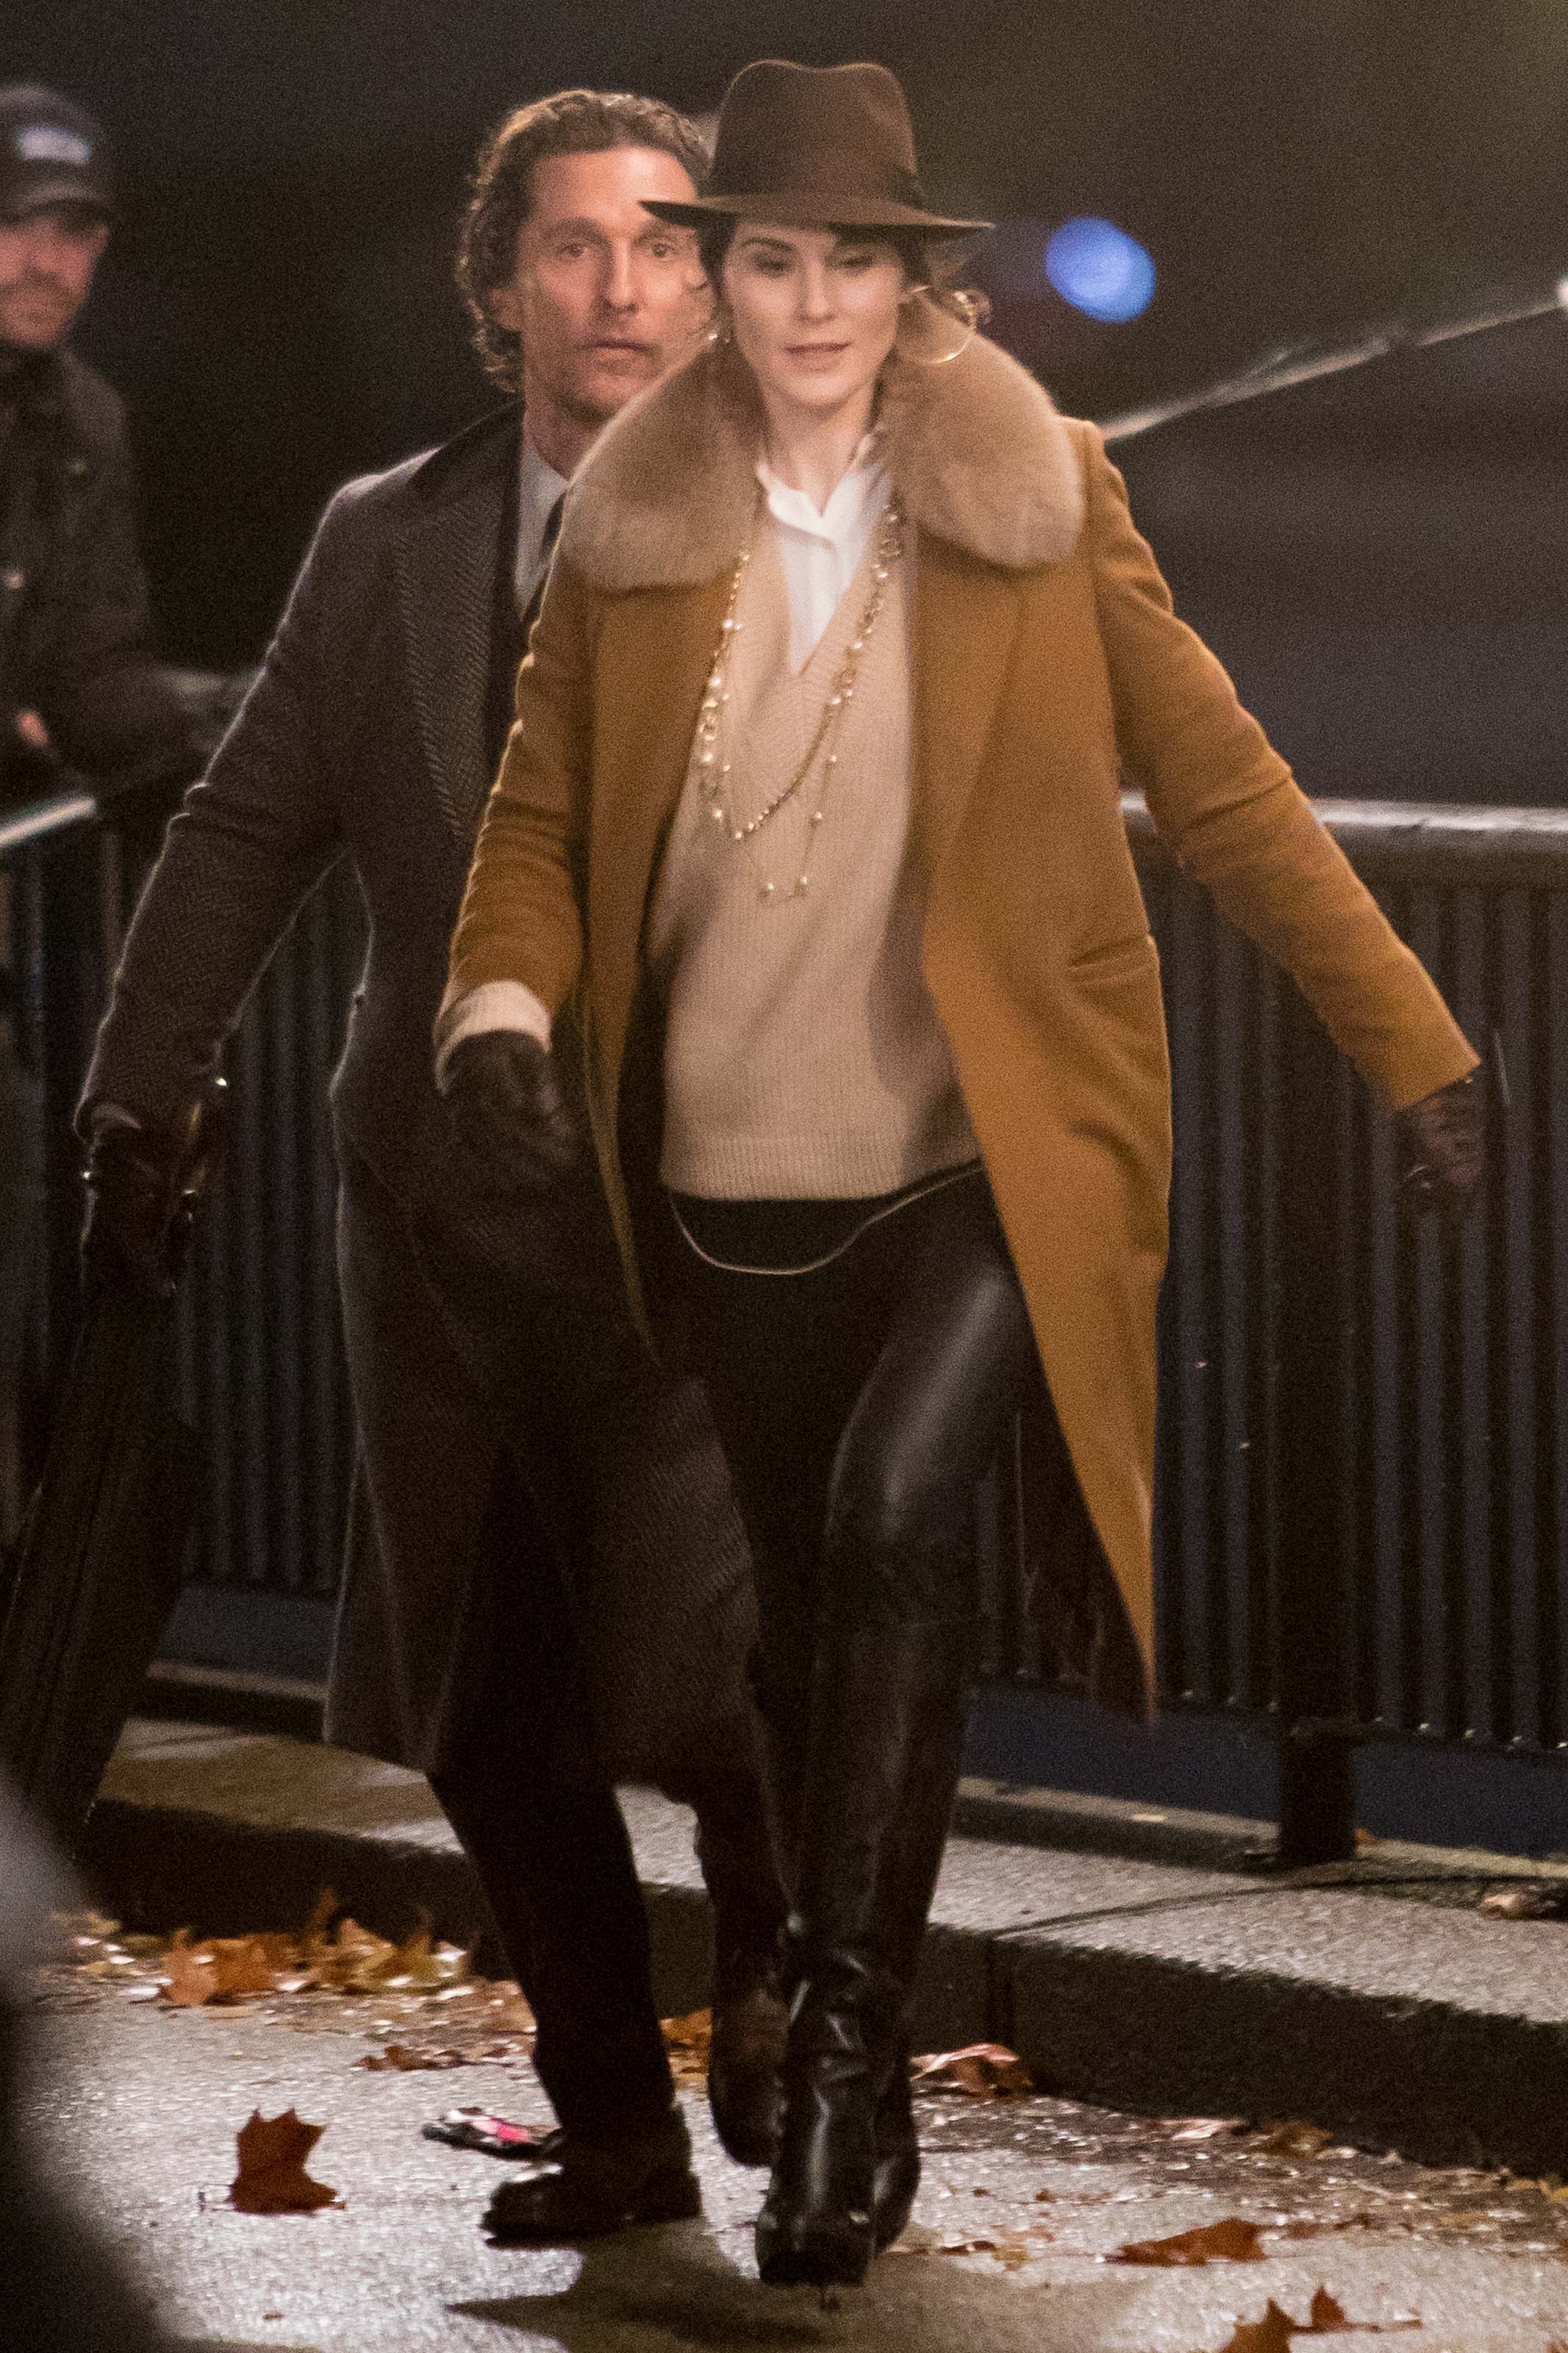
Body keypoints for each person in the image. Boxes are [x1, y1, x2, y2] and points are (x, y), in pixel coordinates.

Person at [437, 58, 1487, 2289]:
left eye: (855, 263)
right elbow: (531, 831)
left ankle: (843, 2063)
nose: (811, 301)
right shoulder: (626, 531)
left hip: (989, 1152)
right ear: (724, 279)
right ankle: (846, 2025)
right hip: (732, 1175)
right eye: (772, 258)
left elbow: (1220, 782)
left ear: (920, 288)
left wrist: (1417, 1046)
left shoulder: (1038, 490)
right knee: (807, 1642)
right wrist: (501, 1013)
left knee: (892, 1530)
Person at [78, 90, 786, 2242]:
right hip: (438, 1211)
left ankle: (778, 1966)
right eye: (573, 247)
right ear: (500, 289)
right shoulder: (384, 537)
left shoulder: (818, 521)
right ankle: (618, 2126)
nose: (622, 285)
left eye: (667, 243)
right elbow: (243, 823)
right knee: (481, 1702)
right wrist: (137, 1087)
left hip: (715, 1204)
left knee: (716, 1663)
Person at [0, 84, 198, 809]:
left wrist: (263, 710)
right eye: (16, 222)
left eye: (74, 231)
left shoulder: (90, 419)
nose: (47, 262)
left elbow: (94, 675)